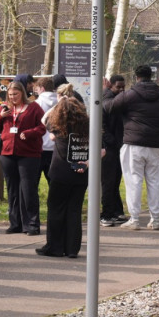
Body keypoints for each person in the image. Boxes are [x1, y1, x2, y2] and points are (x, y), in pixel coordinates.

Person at [103, 65, 159, 230]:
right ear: (152, 76)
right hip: (157, 146)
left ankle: (134, 219)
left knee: (133, 181)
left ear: (136, 77)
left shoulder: (130, 95)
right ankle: (155, 219)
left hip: (133, 145)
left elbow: (108, 107)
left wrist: (106, 90)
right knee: (154, 183)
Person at [37, 97, 92, 257]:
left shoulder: (57, 128)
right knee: (74, 210)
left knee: (56, 209)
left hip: (60, 172)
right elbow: (101, 150)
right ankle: (72, 248)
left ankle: (54, 246)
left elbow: (44, 118)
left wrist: (59, 104)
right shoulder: (89, 129)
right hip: (81, 174)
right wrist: (86, 163)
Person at [0, 80, 46, 236]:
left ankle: (32, 224)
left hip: (29, 154)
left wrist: (30, 133)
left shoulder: (33, 108)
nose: (13, 97)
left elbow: (43, 127)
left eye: (15, 94)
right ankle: (15, 223)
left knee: (28, 189)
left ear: (22, 93)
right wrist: (0, 117)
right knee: (12, 190)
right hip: (8, 153)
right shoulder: (4, 107)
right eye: (10, 95)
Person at [100, 75, 127, 226]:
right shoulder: (107, 100)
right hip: (109, 148)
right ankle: (107, 214)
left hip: (116, 146)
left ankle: (117, 211)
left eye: (123, 87)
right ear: (111, 86)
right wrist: (114, 143)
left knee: (115, 181)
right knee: (109, 182)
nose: (122, 90)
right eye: (118, 87)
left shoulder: (119, 100)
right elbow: (102, 126)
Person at [34, 77, 58, 184]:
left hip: (39, 147)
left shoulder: (36, 104)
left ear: (42, 88)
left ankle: (33, 201)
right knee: (54, 182)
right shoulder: (60, 103)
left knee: (34, 182)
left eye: (37, 89)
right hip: (56, 147)